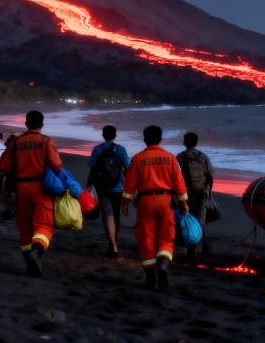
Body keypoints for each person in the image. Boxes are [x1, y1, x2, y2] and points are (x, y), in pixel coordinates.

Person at [0, 110, 63, 277]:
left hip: (21, 188)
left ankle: (29, 263)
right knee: (44, 226)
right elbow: (57, 166)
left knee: (25, 226)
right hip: (41, 189)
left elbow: (4, 167)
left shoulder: (16, 142)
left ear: (26, 124)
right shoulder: (47, 142)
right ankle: (36, 252)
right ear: (42, 125)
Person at [122, 125, 188, 292]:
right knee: (166, 238)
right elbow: (179, 184)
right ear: (160, 139)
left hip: (145, 202)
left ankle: (151, 278)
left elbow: (130, 185)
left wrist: (125, 202)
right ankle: (163, 267)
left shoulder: (137, 159)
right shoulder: (171, 158)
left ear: (144, 139)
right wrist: (184, 204)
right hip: (166, 202)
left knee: (146, 239)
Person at [87, 125, 130, 258]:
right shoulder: (121, 149)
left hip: (102, 187)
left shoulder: (97, 149)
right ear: (115, 135)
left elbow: (93, 170)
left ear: (103, 135)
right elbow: (126, 169)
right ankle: (114, 242)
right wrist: (129, 187)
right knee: (116, 216)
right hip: (118, 187)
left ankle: (112, 245)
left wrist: (89, 187)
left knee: (107, 215)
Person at [175, 132, 214, 259]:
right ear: (196, 143)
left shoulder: (181, 157)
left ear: (184, 142)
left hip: (185, 193)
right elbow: (210, 175)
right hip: (201, 192)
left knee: (186, 218)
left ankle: (188, 246)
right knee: (201, 219)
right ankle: (204, 246)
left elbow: (175, 175)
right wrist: (209, 190)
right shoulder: (203, 156)